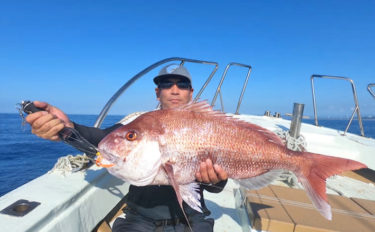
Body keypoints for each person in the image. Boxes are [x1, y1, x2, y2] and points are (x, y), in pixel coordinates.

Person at [26, 64, 228, 232]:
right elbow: (102, 139)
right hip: (140, 220)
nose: (175, 90)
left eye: (182, 85)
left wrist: (216, 180)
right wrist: (68, 128)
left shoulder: (210, 126)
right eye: (166, 84)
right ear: (157, 93)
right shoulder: (138, 122)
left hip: (193, 220)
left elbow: (216, 186)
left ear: (191, 93)